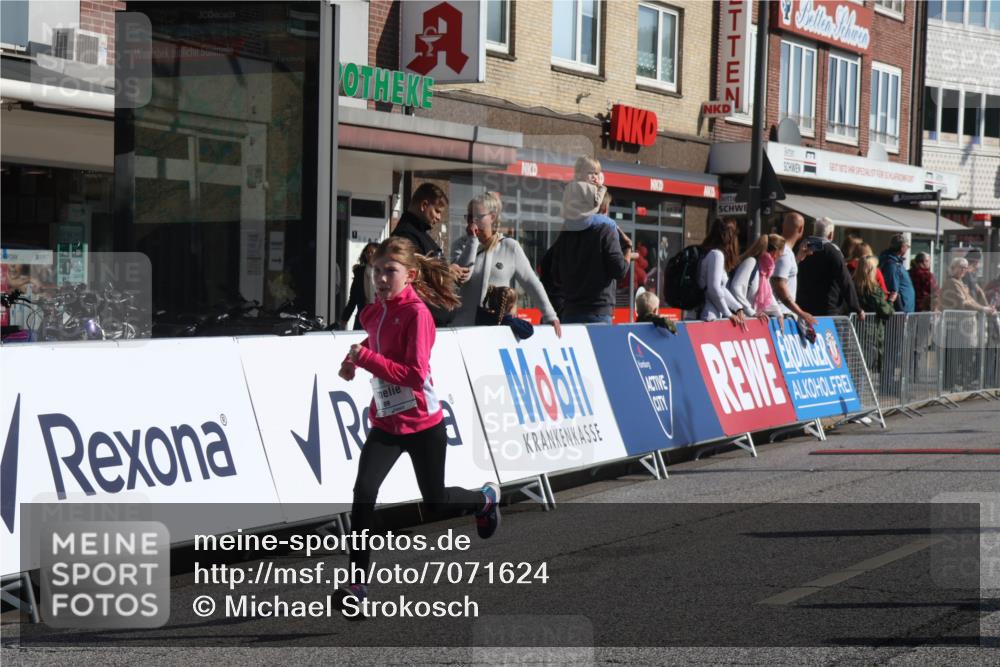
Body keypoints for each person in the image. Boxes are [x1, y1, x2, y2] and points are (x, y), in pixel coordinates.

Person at [336, 237, 500, 609]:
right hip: (386, 425)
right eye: (376, 271)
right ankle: (357, 588)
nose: (380, 279)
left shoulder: (418, 315)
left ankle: (485, 500)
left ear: (409, 275)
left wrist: (366, 359)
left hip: (424, 425)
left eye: (389, 272)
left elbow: (412, 374)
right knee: (363, 494)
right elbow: (377, 341)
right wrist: (354, 357)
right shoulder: (373, 313)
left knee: (436, 501)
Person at [451, 192, 561, 336]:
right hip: (464, 327)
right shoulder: (461, 244)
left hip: (496, 328)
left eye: (478, 216)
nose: (473, 221)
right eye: (470, 217)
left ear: (492, 217)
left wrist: (550, 315)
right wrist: (472, 241)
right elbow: (462, 276)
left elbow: (531, 282)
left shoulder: (510, 247)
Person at [545, 181, 633, 324]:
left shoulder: (566, 233)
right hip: (598, 312)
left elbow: (556, 275)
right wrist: (628, 249)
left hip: (570, 311)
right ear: (604, 209)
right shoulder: (605, 230)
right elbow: (620, 270)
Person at [392, 183, 466, 327]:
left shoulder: (419, 234)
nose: (439, 217)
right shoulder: (406, 236)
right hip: (422, 321)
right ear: (424, 205)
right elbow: (416, 278)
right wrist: (446, 271)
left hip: (430, 319)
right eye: (437, 211)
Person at [796, 217, 865, 318]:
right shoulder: (832, 251)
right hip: (826, 309)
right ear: (831, 234)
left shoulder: (802, 247)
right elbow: (845, 281)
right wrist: (856, 308)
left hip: (802, 308)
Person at [697, 218, 748, 327]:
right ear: (730, 237)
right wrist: (728, 313)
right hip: (708, 316)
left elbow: (720, 288)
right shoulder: (716, 255)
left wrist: (737, 307)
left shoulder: (708, 252)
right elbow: (714, 289)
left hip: (708, 313)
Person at [772, 212, 818, 328]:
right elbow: (779, 285)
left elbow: (783, 274)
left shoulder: (785, 251)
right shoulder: (785, 253)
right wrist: (801, 312)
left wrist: (798, 258)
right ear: (801, 229)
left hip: (780, 314)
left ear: (783, 226)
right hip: (781, 315)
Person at [730, 233, 787, 322]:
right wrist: (751, 312)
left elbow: (768, 296)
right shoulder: (751, 262)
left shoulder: (764, 270)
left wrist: (779, 314)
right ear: (775, 252)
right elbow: (735, 288)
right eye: (781, 255)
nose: (779, 258)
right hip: (737, 320)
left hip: (746, 320)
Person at [853, 254, 896, 373]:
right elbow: (886, 311)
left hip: (855, 328)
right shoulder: (873, 288)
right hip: (871, 330)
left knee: (858, 363)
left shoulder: (853, 284)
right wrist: (891, 301)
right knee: (866, 363)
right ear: (872, 270)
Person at [340, 242, 378, 330]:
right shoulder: (359, 272)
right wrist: (345, 318)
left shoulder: (385, 271)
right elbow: (353, 298)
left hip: (378, 313)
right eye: (367, 252)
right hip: (363, 312)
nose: (369, 255)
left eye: (372, 252)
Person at [879, 233, 916, 313]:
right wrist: (901, 309)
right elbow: (893, 290)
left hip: (905, 308)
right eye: (907, 246)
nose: (907, 249)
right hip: (901, 311)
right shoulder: (892, 265)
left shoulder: (896, 263)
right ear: (902, 247)